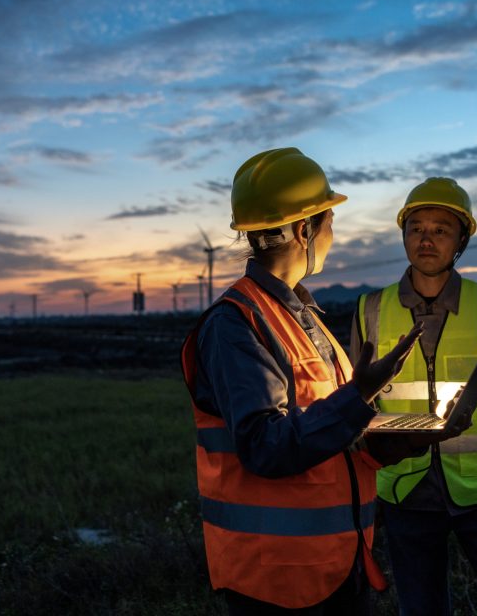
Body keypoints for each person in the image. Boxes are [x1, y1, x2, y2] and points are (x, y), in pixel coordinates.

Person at [182, 147, 433, 615]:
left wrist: (390, 442)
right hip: (277, 581)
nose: (333, 236)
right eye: (329, 222)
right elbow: (266, 446)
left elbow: (328, 435)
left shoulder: (302, 318)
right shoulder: (235, 325)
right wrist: (359, 394)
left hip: (337, 565)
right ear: (303, 230)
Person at [351, 177, 477, 616]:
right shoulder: (370, 309)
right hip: (405, 494)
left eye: (441, 229)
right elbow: (350, 408)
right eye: (416, 228)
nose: (426, 239)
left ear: (461, 240)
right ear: (404, 235)